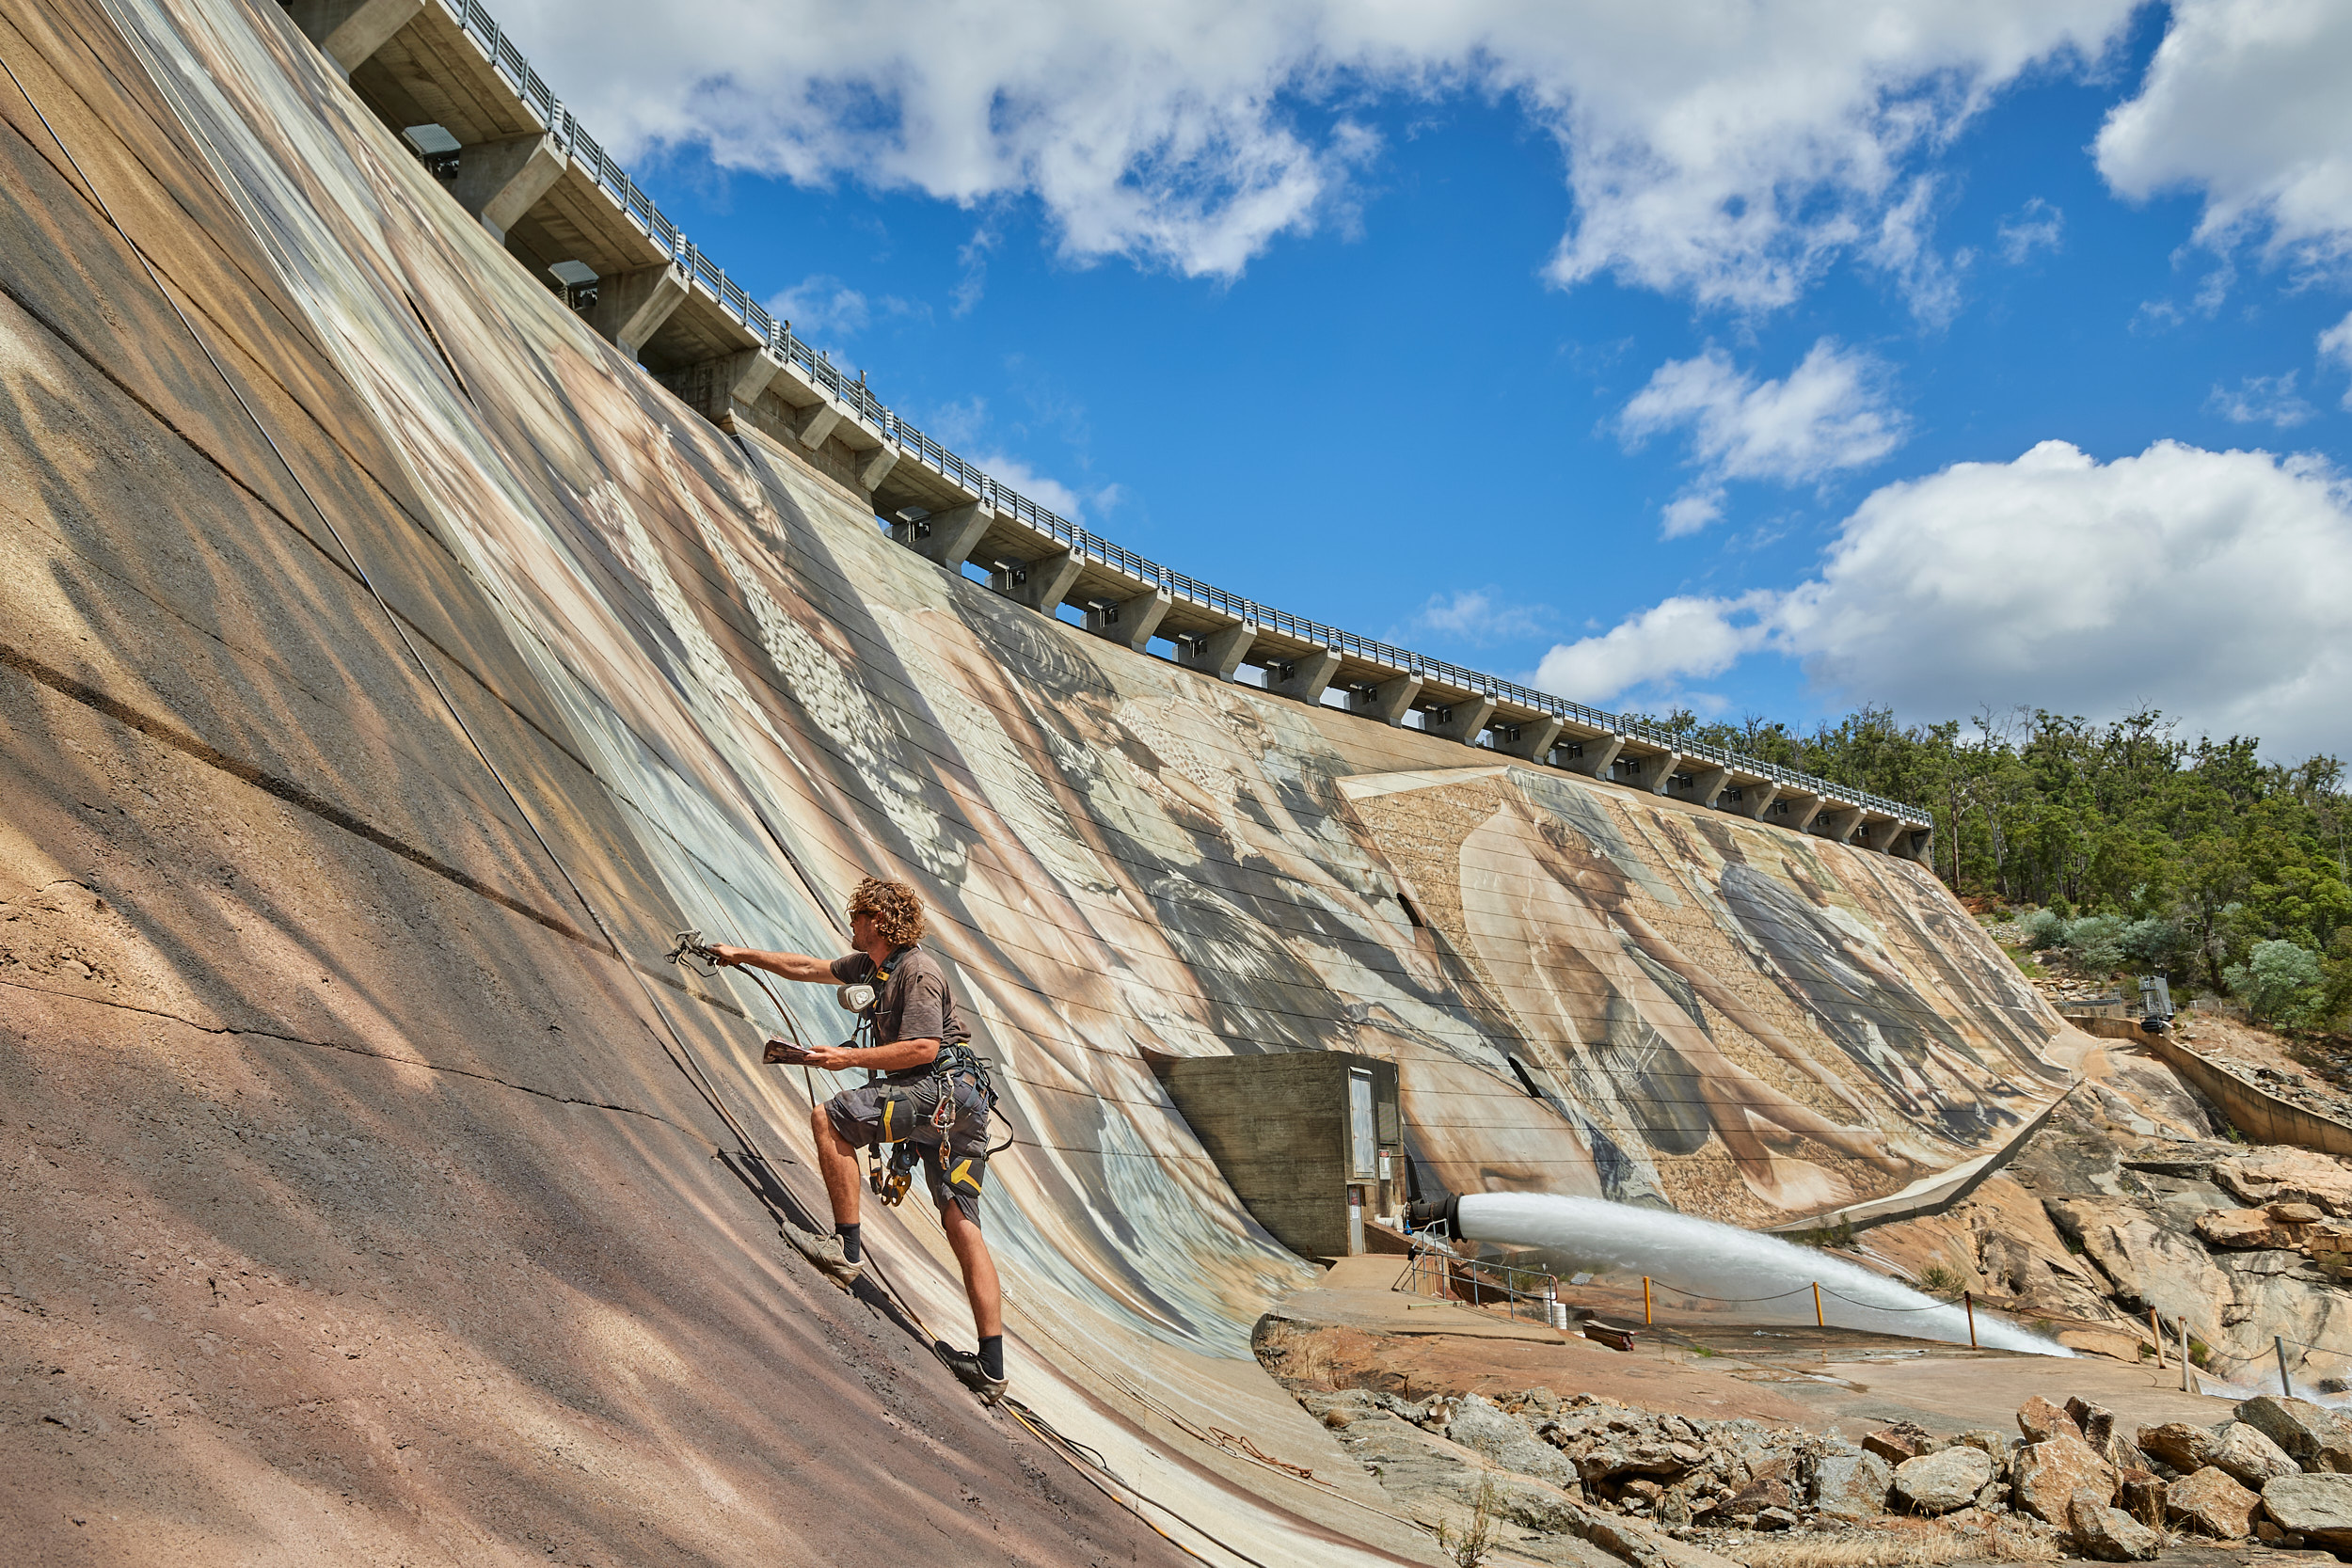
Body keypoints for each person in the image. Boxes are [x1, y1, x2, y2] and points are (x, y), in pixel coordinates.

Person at [709, 879, 1006, 1402]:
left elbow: (920, 1047)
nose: (851, 923)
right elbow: (808, 968)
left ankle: (844, 1250)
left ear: (879, 920)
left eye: (858, 915)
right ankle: (991, 1365)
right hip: (958, 1106)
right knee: (961, 1216)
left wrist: (846, 1059)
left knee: (830, 1118)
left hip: (935, 1092)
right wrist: (742, 955)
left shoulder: (917, 971)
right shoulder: (873, 966)